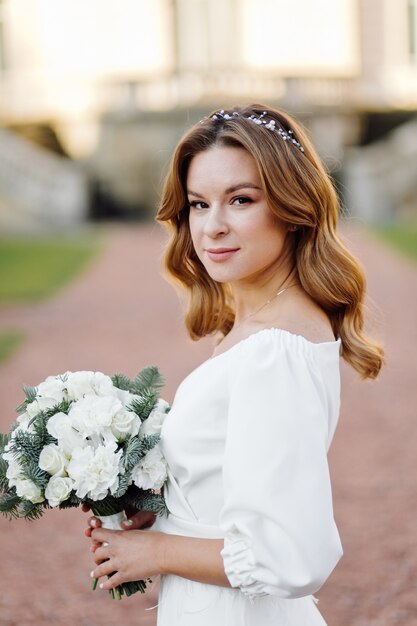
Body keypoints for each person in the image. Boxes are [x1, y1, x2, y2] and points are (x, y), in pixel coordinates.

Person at [85, 104, 384, 625]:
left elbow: (290, 555)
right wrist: (165, 513)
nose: (213, 226)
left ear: (293, 207)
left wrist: (154, 553)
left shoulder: (274, 351)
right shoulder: (257, 329)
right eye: (199, 204)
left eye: (240, 200)